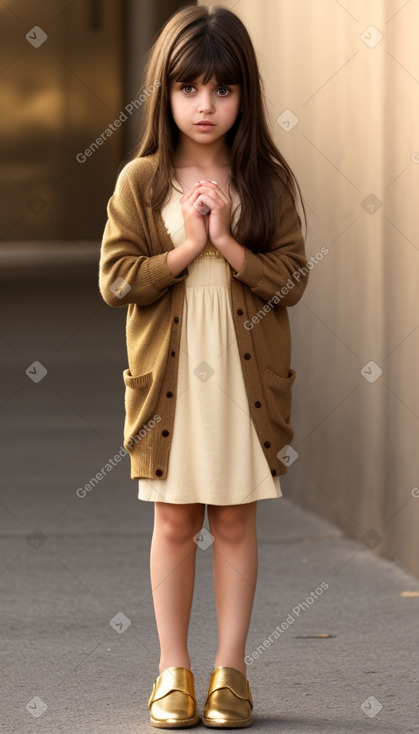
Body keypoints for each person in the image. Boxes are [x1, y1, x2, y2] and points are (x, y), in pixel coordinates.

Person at [99, 4, 309, 728]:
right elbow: (116, 280)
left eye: (222, 89)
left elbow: (291, 281)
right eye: (190, 89)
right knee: (173, 522)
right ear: (166, 92)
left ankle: (230, 672)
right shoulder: (141, 181)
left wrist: (227, 239)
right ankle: (172, 669)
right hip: (171, 388)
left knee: (235, 522)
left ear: (244, 94)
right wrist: (186, 247)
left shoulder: (267, 181)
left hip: (244, 388)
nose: (205, 105)